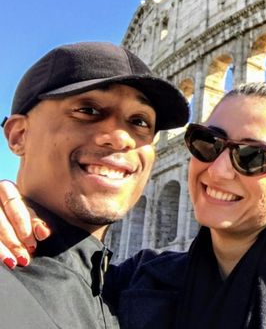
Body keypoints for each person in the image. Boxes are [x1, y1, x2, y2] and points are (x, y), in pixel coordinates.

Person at [2, 82, 266, 328]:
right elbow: (66, 276)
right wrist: (13, 209)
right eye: (208, 142)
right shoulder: (142, 278)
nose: (218, 171)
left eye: (253, 157)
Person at [0, 41, 189, 328]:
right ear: (19, 135)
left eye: (139, 121)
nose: (121, 137)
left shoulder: (139, 292)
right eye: (88, 110)